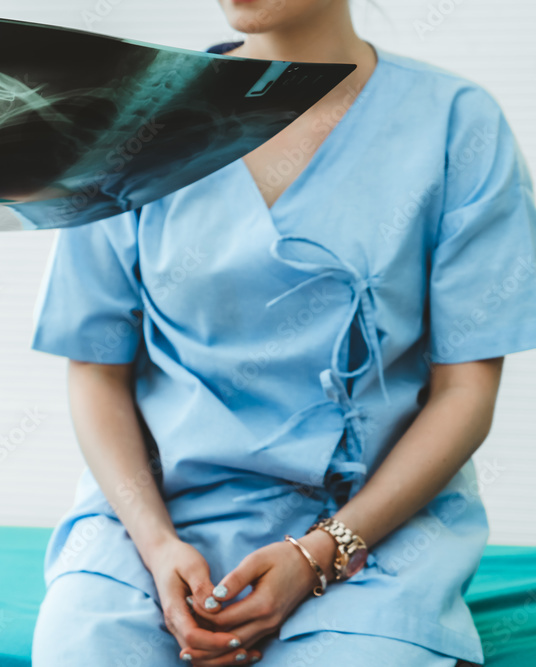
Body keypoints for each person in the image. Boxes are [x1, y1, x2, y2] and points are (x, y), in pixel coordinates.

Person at [30, 1, 536, 665]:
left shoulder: (455, 124)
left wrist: (323, 552)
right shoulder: (131, 127)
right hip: (152, 519)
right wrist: (156, 546)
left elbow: (465, 391)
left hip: (373, 528)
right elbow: (96, 369)